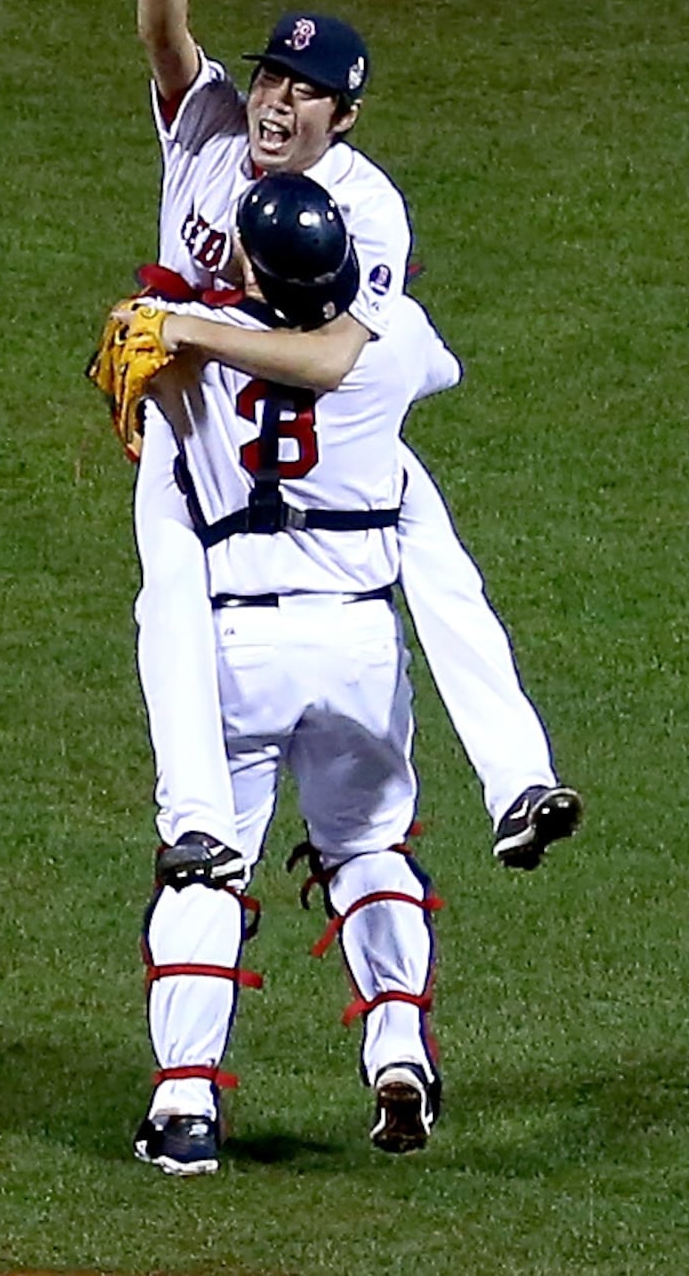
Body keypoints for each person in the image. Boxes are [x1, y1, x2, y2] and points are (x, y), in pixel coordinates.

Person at [125, 0, 582, 891]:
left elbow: (332, 360)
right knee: (185, 587)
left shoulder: (366, 208)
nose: (277, 100)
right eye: (272, 75)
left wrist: (185, 329)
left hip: (289, 410)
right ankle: (200, 813)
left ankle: (518, 781)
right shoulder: (208, 127)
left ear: (345, 115)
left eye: (305, 90)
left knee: (428, 543)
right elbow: (165, 45)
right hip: (201, 432)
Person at [132, 174, 458, 1174]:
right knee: (367, 845)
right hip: (359, 642)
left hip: (239, 646)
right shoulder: (386, 344)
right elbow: (433, 365)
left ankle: (187, 1106)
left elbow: (153, 409)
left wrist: (173, 339)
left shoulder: (191, 353)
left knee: (207, 864)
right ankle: (397, 1047)